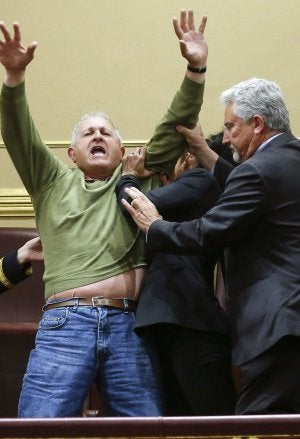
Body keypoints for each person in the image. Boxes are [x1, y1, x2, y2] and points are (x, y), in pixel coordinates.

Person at [0, 10, 208, 417]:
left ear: (120, 148)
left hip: (131, 326)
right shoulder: (51, 183)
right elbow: (18, 131)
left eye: (107, 132)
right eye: (87, 133)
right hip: (64, 325)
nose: (98, 135)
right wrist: (14, 80)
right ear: (71, 154)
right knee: (38, 429)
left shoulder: (139, 180)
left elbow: (175, 123)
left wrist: (195, 68)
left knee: (146, 430)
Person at [122, 77, 300, 415]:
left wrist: (156, 227)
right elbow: (251, 190)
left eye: (232, 127)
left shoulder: (258, 171)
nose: (228, 137)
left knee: (256, 428)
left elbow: (209, 232)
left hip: (279, 326)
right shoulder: (289, 159)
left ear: (257, 124)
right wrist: (204, 152)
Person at [116, 143, 236, 416]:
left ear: (189, 157)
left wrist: (128, 176)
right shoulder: (200, 192)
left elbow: (131, 203)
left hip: (189, 317)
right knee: (182, 421)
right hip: (179, 317)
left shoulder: (200, 178)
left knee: (214, 421)